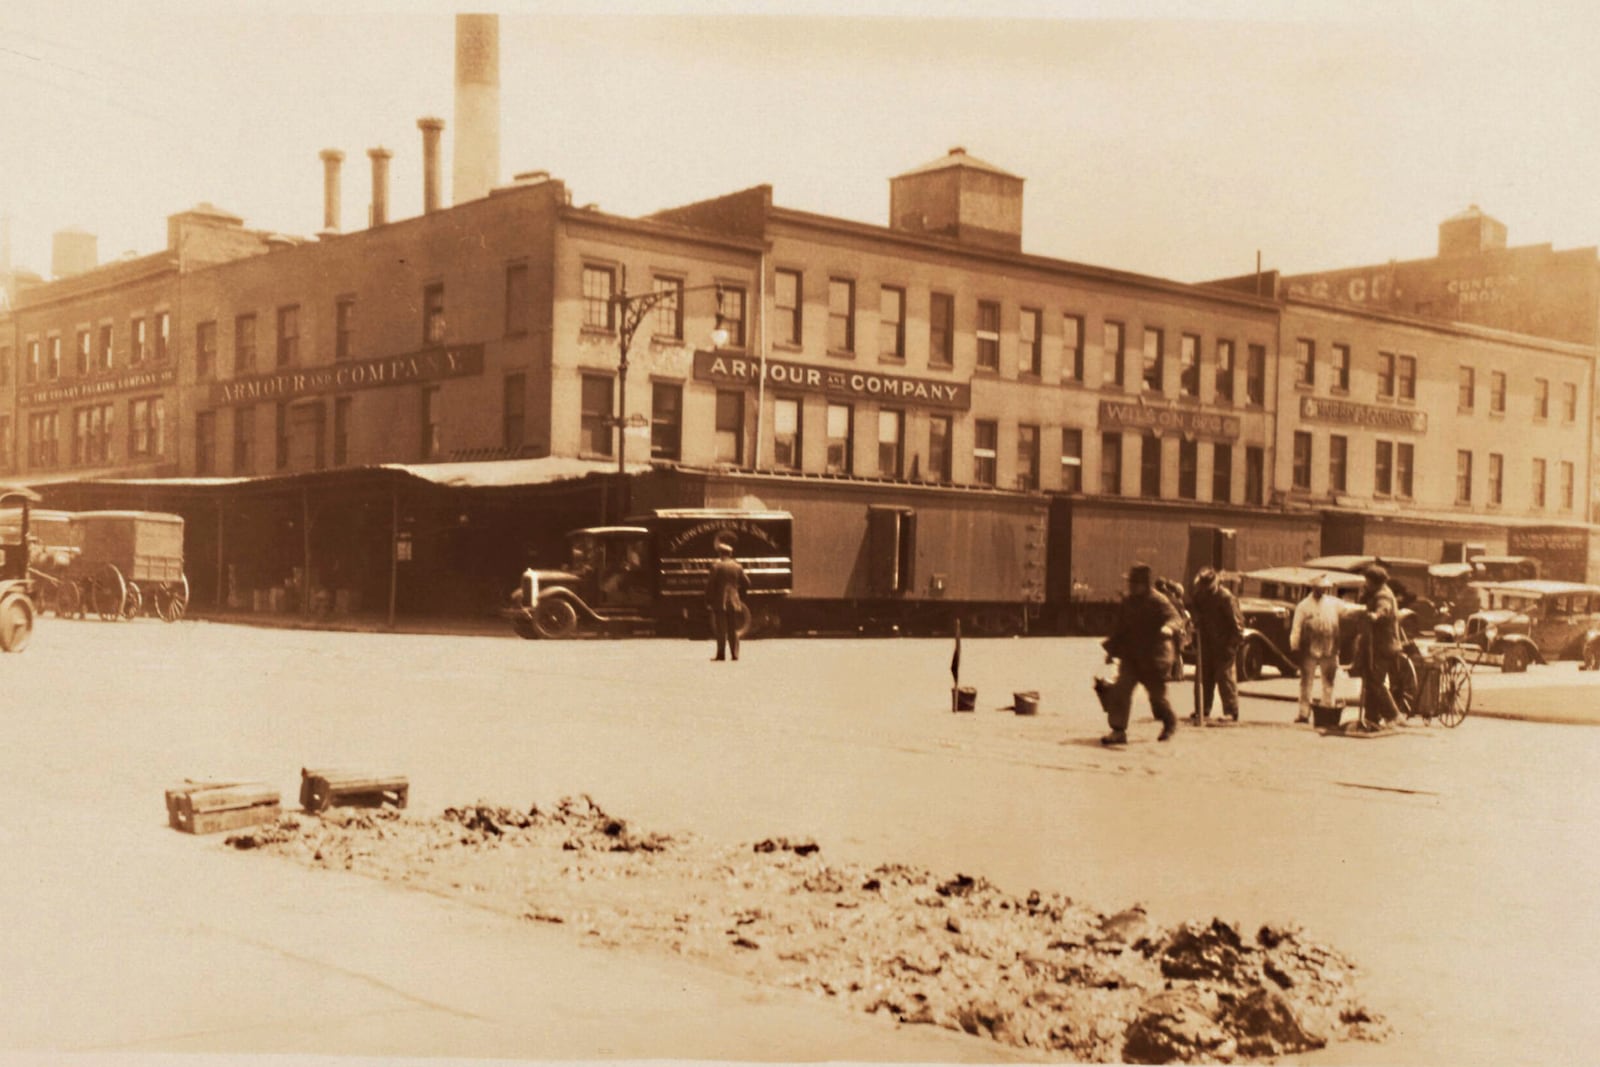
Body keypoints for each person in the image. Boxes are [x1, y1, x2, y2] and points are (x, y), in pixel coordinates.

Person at [1099, 562, 1184, 745]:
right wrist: (1112, 651)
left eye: (1135, 583)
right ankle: (1118, 731)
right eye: (1130, 583)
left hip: (1153, 658)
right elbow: (1120, 629)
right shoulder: (1128, 602)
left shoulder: (1158, 601)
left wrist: (1169, 628)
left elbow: (1175, 618)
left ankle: (1169, 722)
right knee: (1120, 690)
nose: (1131, 587)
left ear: (1145, 584)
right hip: (1131, 657)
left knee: (1157, 699)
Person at [1188, 568, 1243, 723]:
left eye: (1208, 586)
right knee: (1203, 677)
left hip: (1224, 643)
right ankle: (1203, 709)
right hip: (1206, 643)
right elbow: (1196, 613)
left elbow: (1237, 624)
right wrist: (1195, 627)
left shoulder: (1225, 598)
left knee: (1224, 677)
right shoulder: (1200, 594)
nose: (1205, 589)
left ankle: (1231, 711)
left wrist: (1232, 645)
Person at [1289, 575, 1343, 723]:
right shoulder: (1303, 606)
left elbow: (1348, 610)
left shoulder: (1334, 604)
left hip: (1329, 646)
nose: (1321, 590)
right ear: (1313, 588)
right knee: (1306, 681)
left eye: (1323, 588)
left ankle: (1327, 708)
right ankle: (1304, 713)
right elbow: (1297, 626)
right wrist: (1294, 645)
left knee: (1329, 681)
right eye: (1318, 588)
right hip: (1309, 647)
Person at [1358, 564, 1404, 729]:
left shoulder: (1383, 595)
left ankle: (1394, 714)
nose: (1366, 584)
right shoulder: (1375, 592)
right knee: (1370, 680)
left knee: (1375, 682)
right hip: (1377, 645)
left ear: (1375, 581)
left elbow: (1384, 609)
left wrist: (1375, 615)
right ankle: (1371, 717)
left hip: (1384, 646)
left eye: (1368, 581)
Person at [705, 540, 751, 662]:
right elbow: (747, 583)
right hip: (734, 601)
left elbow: (710, 585)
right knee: (733, 628)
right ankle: (734, 654)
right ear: (730, 554)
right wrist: (739, 594)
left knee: (721, 629)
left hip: (720, 601)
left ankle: (721, 655)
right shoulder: (738, 566)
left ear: (720, 553)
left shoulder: (716, 566)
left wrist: (709, 599)